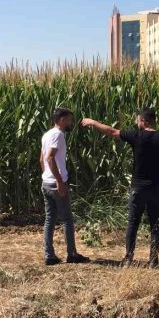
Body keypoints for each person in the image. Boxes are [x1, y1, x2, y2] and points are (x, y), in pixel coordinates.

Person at [81, 108, 159, 268]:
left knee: (133, 222)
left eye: (137, 120)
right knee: (155, 223)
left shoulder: (136, 136)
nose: (136, 122)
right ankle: (153, 260)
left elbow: (112, 131)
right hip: (156, 187)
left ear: (143, 121)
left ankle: (128, 258)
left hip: (138, 188)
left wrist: (93, 122)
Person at [40, 108, 90, 266]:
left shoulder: (47, 134)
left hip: (46, 183)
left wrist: (47, 176)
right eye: (69, 119)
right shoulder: (58, 135)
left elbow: (41, 159)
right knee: (67, 220)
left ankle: (49, 255)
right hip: (56, 184)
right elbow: (49, 157)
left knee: (50, 219)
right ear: (61, 119)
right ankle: (72, 254)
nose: (71, 122)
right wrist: (59, 182)